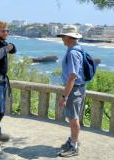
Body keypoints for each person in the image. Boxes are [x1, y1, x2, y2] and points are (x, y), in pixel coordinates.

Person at [57, 28, 86, 157]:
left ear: (69, 38)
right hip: (78, 88)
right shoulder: (78, 49)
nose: (62, 39)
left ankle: (74, 146)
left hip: (74, 89)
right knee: (73, 118)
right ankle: (72, 140)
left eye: (63, 36)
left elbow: (73, 76)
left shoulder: (73, 53)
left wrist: (64, 96)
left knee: (73, 119)